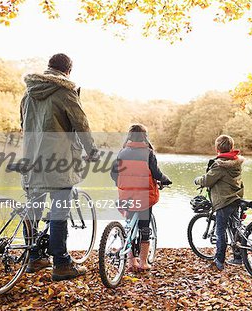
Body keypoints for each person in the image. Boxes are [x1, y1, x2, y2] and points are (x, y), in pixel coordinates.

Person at [21, 53, 99, 281]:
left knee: (33, 211)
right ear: (69, 70)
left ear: (48, 67)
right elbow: (81, 124)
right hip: (58, 162)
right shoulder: (65, 92)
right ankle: (61, 263)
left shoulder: (28, 92)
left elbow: (22, 124)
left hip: (31, 159)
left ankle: (34, 257)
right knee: (58, 212)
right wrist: (92, 151)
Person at [110, 124, 171, 271]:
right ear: (145, 137)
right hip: (143, 196)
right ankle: (143, 262)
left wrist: (122, 183)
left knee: (129, 225)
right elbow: (156, 174)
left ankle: (131, 262)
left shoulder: (122, 153)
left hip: (127, 196)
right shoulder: (148, 153)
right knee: (144, 228)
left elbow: (113, 174)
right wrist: (165, 179)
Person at [194, 135, 244, 271]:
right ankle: (238, 257)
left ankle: (219, 260)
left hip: (224, 200)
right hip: (236, 198)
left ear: (217, 149)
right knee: (235, 228)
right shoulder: (237, 163)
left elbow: (207, 180)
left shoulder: (219, 165)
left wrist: (197, 180)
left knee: (220, 230)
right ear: (232, 148)